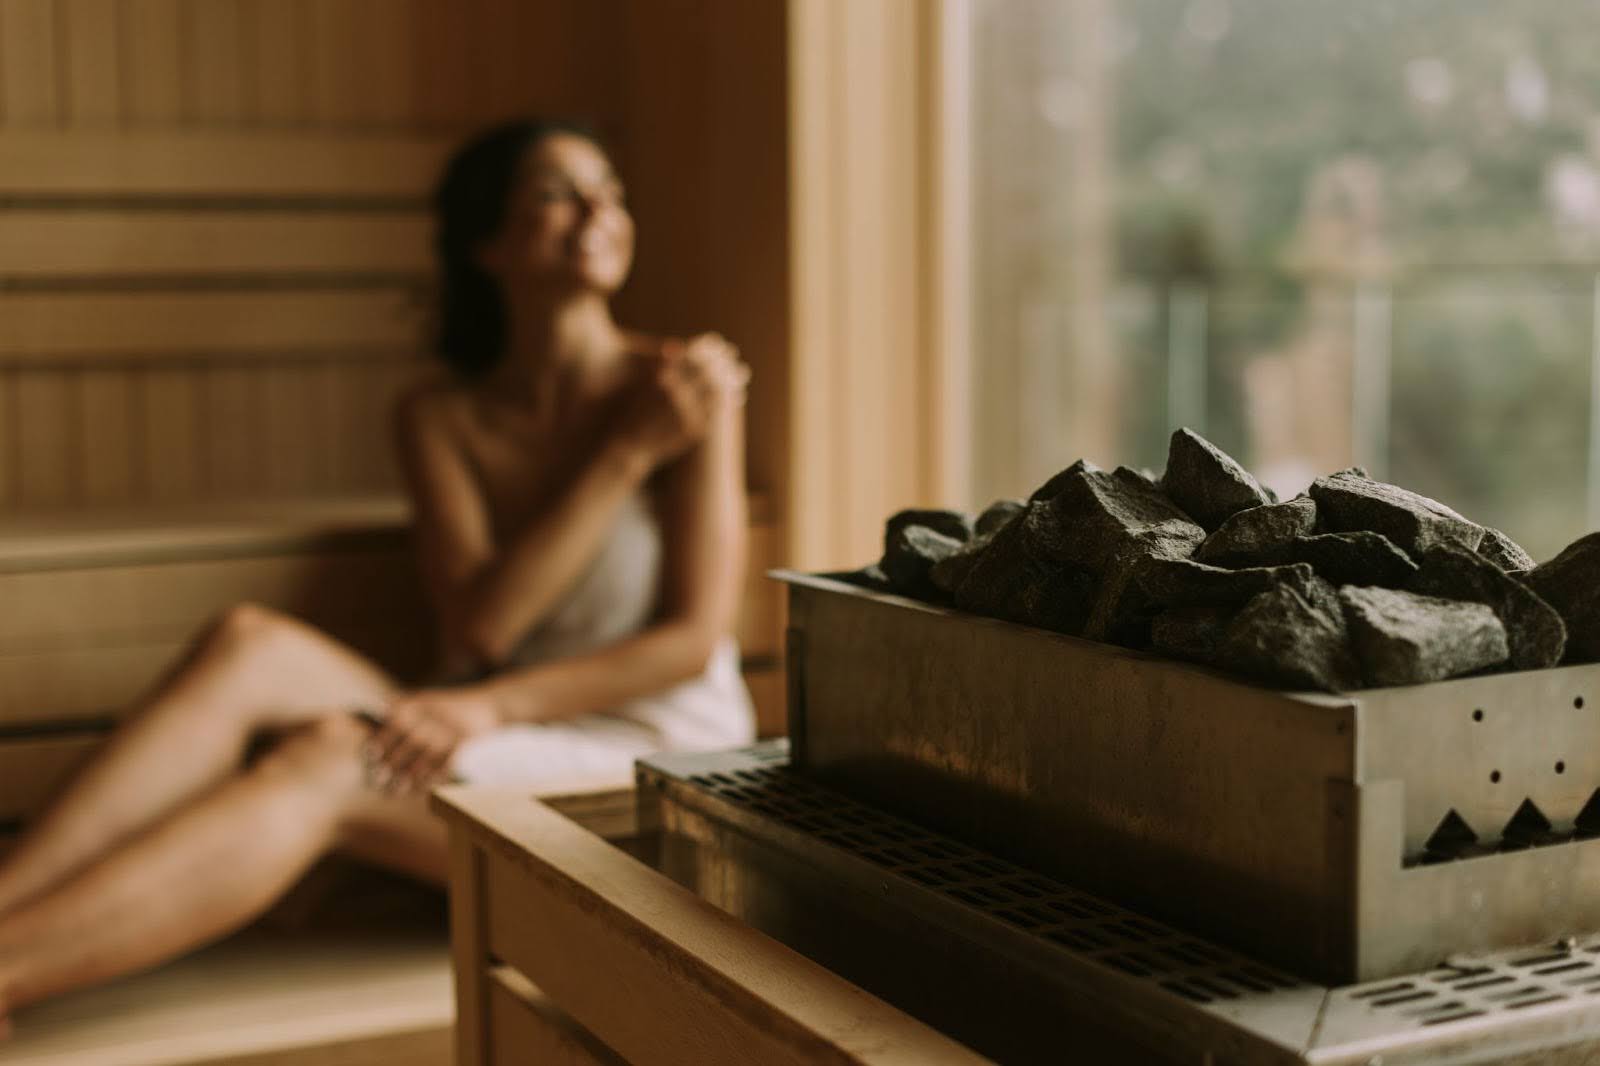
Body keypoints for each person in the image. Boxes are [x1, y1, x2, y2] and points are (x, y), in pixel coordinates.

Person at [0, 119, 755, 1029]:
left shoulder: (687, 390)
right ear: (488, 242)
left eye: (611, 190)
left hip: (649, 759)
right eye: (558, 191)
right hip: (495, 718)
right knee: (249, 643)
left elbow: (687, 643)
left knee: (333, 753)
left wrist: (485, 706)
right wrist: (623, 457)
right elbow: (483, 627)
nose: (598, 210)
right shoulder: (443, 416)